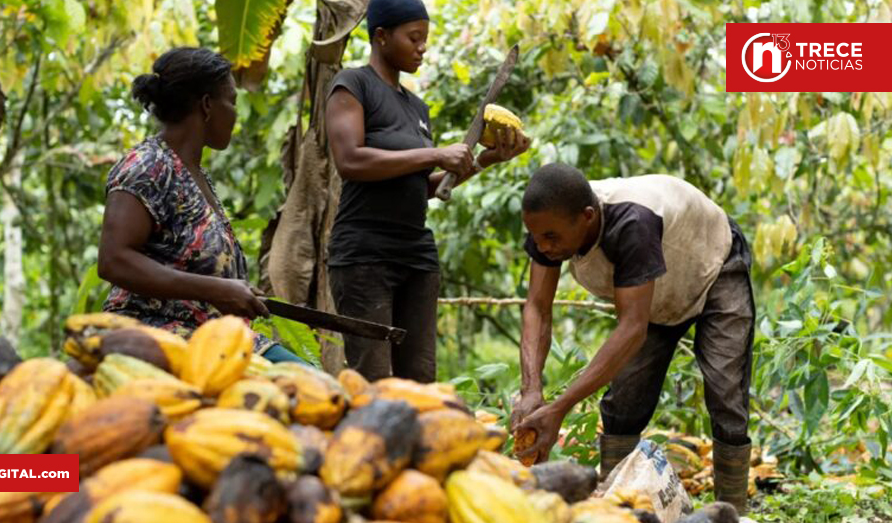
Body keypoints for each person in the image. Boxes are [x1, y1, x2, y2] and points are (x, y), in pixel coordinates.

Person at [511, 164, 755, 514]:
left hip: (713, 264)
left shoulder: (631, 222)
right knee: (625, 399)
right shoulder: (549, 224)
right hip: (651, 292)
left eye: (550, 237)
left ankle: (732, 513)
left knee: (726, 391)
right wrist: (531, 388)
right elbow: (537, 307)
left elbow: (632, 328)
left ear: (587, 217)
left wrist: (559, 409)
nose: (541, 245)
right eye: (535, 236)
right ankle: (617, 509)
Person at [324, 0, 530, 382]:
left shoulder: (415, 107)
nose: (422, 47)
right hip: (364, 255)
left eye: (425, 39)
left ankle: (420, 442)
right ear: (381, 37)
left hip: (416, 256)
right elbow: (349, 160)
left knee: (419, 379)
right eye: (414, 38)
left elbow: (427, 186)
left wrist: (486, 160)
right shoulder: (353, 85)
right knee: (372, 377)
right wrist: (436, 153)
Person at [97, 47, 303, 364]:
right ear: (207, 105)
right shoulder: (148, 166)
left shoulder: (194, 172)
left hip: (217, 335)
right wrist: (216, 290)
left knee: (312, 381)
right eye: (232, 102)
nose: (235, 113)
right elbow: (114, 260)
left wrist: (233, 292)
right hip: (158, 332)